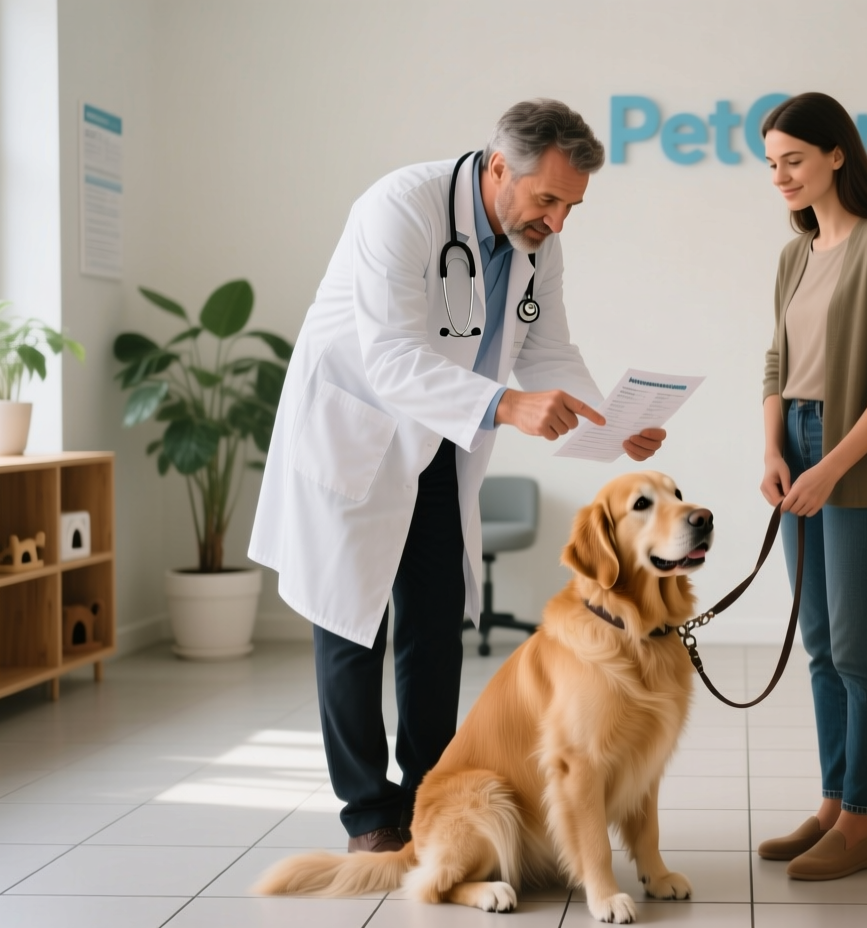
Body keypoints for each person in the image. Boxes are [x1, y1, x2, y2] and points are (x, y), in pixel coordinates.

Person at [250, 99, 664, 853]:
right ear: (500, 167)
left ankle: (429, 796)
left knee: (436, 622)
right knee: (352, 625)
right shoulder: (400, 208)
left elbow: (548, 350)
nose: (558, 222)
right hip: (357, 433)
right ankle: (369, 814)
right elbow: (390, 358)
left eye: (571, 207)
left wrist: (609, 422)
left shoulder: (538, 240)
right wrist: (506, 406)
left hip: (444, 437)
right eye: (548, 200)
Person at [753, 92, 867, 881]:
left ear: (836, 155)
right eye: (772, 164)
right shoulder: (795, 254)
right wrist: (774, 450)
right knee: (819, 641)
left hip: (856, 454)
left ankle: (861, 822)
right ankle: (831, 805)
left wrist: (830, 466)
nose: (781, 177)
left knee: (857, 644)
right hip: (796, 443)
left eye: (794, 160)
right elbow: (776, 364)